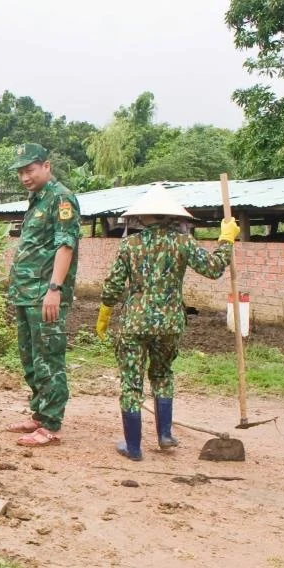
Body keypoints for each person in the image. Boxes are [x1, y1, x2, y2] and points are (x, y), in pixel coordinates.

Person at [96, 186, 236, 460]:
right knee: (162, 375)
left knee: (131, 383)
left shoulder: (129, 245)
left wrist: (105, 312)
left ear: (143, 217)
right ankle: (164, 435)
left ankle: (134, 448)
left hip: (135, 324)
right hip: (170, 323)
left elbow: (113, 286)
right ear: (171, 216)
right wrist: (226, 240)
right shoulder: (182, 243)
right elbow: (214, 268)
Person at [4, 143, 81, 448]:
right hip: (26, 294)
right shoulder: (37, 199)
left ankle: (50, 424)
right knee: (31, 358)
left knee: (49, 357)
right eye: (21, 171)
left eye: (30, 169)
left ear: (46, 166)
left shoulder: (61, 198)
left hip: (44, 294)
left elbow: (65, 245)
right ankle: (38, 413)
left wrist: (54, 289)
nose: (24, 176)